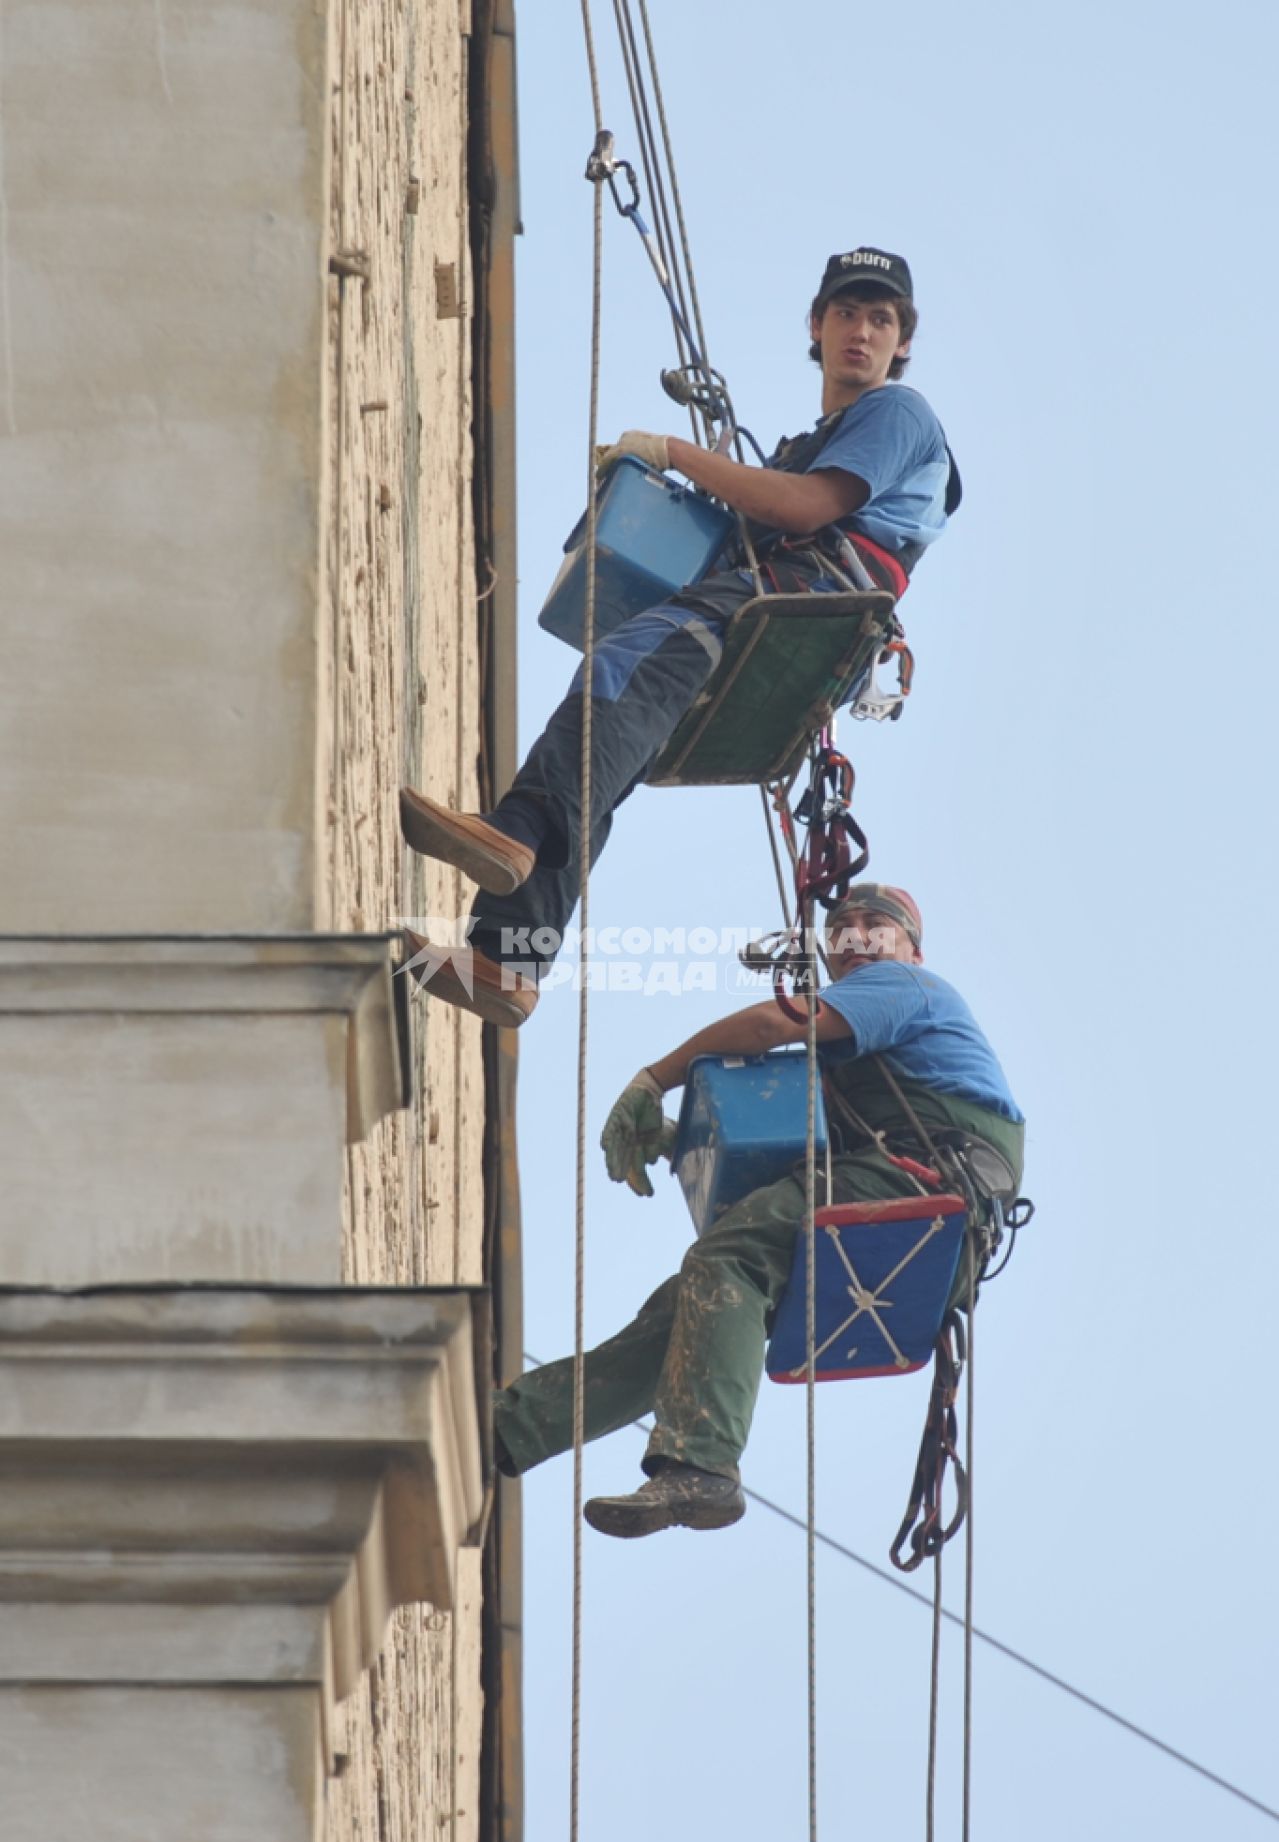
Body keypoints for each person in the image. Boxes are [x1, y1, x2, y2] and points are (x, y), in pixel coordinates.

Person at [398, 250, 961, 1025]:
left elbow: (803, 509)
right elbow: (769, 507)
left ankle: (517, 833)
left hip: (805, 595)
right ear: (815, 324)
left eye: (880, 320)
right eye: (844, 314)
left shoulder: (898, 413)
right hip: (793, 610)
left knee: (618, 666)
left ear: (902, 342)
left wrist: (673, 451)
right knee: (608, 756)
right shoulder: (819, 437)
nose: (860, 332)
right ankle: (508, 962)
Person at [491, 885, 1024, 1539]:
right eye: (841, 926)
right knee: (690, 1307)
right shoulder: (850, 1054)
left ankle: (703, 1465)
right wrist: (678, 1139)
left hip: (923, 1180)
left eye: (876, 925)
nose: (855, 934)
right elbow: (773, 1124)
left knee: (731, 1257)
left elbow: (772, 1025)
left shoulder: (905, 988)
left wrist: (654, 1078)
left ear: (912, 950)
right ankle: (509, 1430)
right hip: (916, 1198)